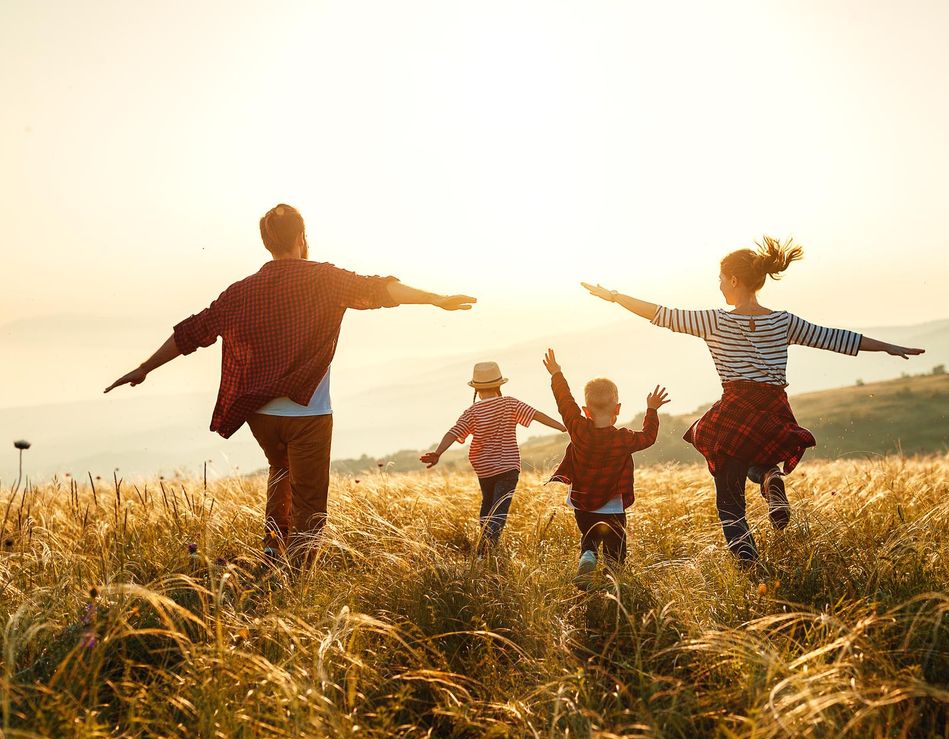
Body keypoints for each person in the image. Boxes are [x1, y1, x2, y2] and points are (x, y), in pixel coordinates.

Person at [105, 203, 476, 568]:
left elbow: (193, 332)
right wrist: (435, 299)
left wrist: (144, 367)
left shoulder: (241, 291)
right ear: (301, 237)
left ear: (267, 242)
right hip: (308, 414)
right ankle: (297, 578)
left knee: (279, 470)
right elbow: (379, 289)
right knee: (310, 502)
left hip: (260, 415)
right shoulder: (325, 279)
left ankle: (272, 551)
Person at [580, 236, 923, 564]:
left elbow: (660, 314)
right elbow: (834, 338)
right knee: (757, 455)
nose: (718, 286)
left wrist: (613, 297)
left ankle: (748, 562)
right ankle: (771, 478)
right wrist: (888, 346)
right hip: (774, 408)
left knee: (728, 497)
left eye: (720, 279)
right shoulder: (783, 321)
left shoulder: (714, 321)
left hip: (735, 408)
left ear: (732, 279)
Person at [542, 348, 669, 586]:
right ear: (617, 409)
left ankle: (588, 556)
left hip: (582, 503)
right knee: (615, 549)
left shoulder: (577, 428)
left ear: (585, 411)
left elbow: (564, 402)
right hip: (612, 506)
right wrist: (651, 410)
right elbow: (649, 437)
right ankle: (612, 582)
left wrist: (556, 374)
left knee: (589, 538)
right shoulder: (624, 438)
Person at [420, 361, 566, 552]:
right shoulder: (510, 403)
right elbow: (536, 415)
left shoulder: (472, 412)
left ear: (477, 390)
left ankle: (484, 548)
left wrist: (438, 453)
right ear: (499, 385)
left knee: (487, 505)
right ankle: (487, 549)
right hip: (508, 467)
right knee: (499, 509)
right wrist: (563, 426)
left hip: (484, 469)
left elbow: (453, 432)